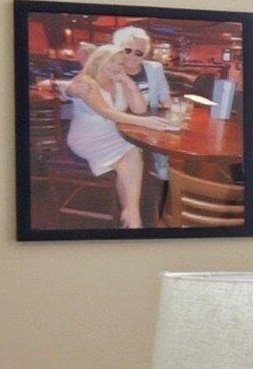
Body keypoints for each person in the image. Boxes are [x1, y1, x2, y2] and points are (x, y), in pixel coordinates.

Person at [60, 27, 178, 229]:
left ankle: (132, 214)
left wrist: (127, 82)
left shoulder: (118, 81)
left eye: (120, 63)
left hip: (114, 135)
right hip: (88, 139)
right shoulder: (87, 82)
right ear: (98, 61)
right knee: (128, 162)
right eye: (113, 61)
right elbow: (106, 112)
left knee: (132, 155)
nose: (118, 65)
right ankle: (133, 216)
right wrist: (145, 122)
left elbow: (140, 109)